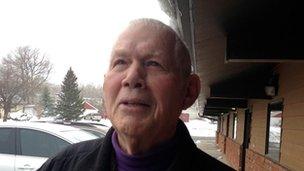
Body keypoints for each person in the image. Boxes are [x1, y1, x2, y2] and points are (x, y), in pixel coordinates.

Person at [38, 18, 233, 171]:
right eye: (120, 62)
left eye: (153, 63)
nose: (132, 78)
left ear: (189, 91)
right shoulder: (62, 166)